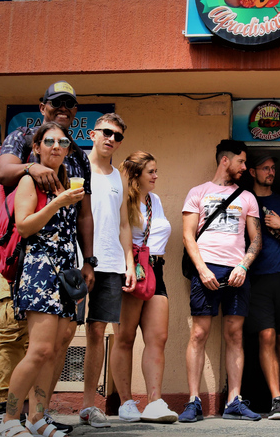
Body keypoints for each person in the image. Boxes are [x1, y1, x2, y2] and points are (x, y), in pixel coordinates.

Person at [0, 81, 93, 437]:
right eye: (49, 141)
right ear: (37, 146)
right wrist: (38, 180)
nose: (57, 146)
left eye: (62, 142)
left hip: (65, 270)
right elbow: (24, 224)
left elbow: (83, 218)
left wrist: (87, 260)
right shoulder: (26, 163)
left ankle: (37, 418)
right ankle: (7, 419)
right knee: (35, 348)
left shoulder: (74, 169)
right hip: (37, 268)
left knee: (55, 351)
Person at [179, 139, 262, 423]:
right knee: (199, 334)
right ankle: (193, 401)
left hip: (236, 271)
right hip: (207, 269)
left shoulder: (248, 197)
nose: (244, 167)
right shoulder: (198, 192)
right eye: (241, 161)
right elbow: (188, 235)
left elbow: (256, 239)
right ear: (225, 160)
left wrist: (244, 265)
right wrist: (202, 270)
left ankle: (234, 401)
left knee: (235, 334)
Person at [109, 151, 178, 423]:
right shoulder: (123, 201)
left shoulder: (154, 200)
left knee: (158, 338)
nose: (156, 176)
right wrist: (128, 266)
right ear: (136, 174)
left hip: (154, 270)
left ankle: (154, 401)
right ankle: (126, 402)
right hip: (130, 270)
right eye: (151, 171)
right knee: (124, 338)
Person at [79, 113, 137, 427]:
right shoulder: (77, 168)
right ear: (92, 133)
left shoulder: (119, 177)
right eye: (106, 132)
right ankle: (39, 407)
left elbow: (124, 224)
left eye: (117, 136)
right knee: (58, 335)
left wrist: (129, 263)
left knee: (97, 334)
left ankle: (89, 406)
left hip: (111, 265)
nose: (111, 139)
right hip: (76, 263)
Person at [246, 154, 280, 420]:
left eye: (273, 168)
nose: (271, 172)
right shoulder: (245, 200)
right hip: (257, 277)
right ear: (253, 171)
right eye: (265, 168)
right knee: (265, 335)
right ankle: (274, 396)